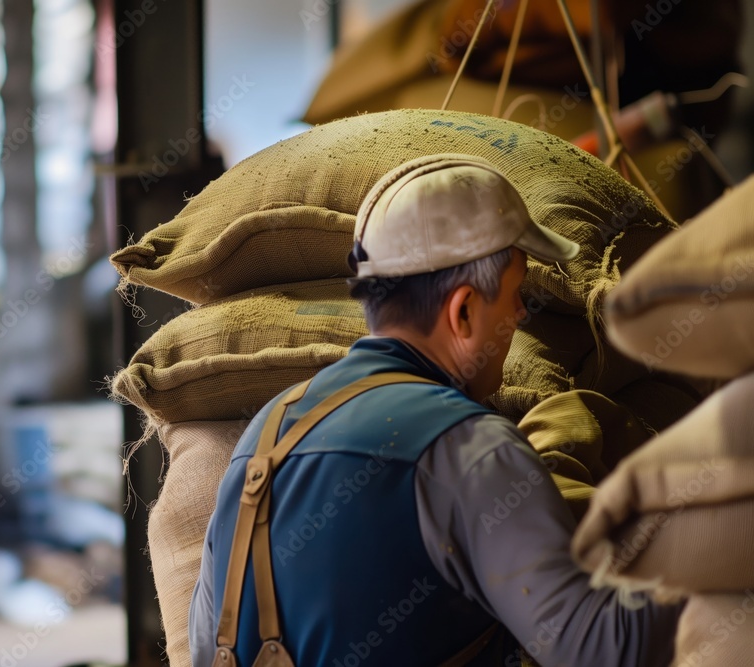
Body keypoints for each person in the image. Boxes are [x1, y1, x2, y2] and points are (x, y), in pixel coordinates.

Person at [189, 154, 682, 666]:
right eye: (515, 294)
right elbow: (604, 649)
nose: (518, 313)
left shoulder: (262, 435)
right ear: (463, 310)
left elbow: (205, 649)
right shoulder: (468, 447)